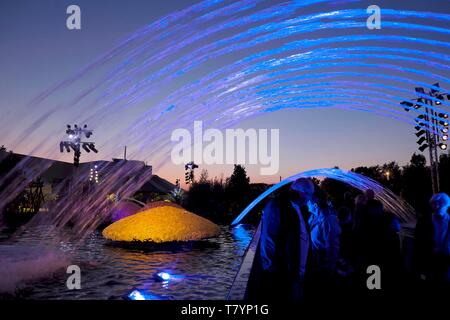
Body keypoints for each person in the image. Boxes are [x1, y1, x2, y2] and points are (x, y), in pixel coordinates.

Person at [248, 178, 314, 301]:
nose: (309, 199)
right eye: (309, 195)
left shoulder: (299, 207)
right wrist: (273, 271)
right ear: (301, 193)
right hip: (282, 276)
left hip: (295, 273)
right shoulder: (277, 206)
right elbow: (269, 241)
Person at [306, 189, 341, 297]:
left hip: (323, 267)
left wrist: (327, 268)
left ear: (314, 204)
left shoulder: (328, 220)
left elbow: (333, 247)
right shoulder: (313, 217)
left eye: (308, 201)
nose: (306, 203)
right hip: (315, 263)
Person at [414, 193, 450, 287]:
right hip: (430, 258)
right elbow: (418, 243)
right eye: (434, 203)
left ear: (447, 205)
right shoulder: (423, 221)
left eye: (440, 203)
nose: (437, 206)